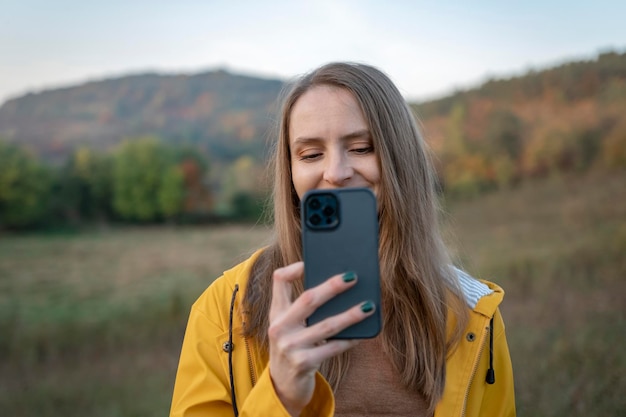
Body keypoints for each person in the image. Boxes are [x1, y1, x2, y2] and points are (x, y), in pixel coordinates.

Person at [169, 62, 516, 417]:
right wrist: (280, 395)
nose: (335, 173)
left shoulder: (474, 313)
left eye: (362, 148)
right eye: (311, 154)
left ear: (401, 159)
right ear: (290, 173)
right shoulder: (224, 309)